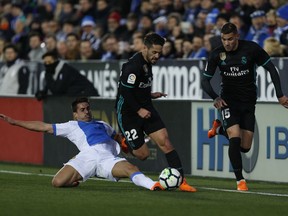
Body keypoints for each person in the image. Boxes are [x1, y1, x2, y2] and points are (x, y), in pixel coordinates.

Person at [0, 97, 164, 191]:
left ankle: (153, 185)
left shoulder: (103, 124)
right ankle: (86, 174)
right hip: (87, 157)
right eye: (82, 110)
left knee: (131, 169)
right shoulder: (71, 125)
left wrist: (129, 145)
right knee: (57, 183)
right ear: (75, 114)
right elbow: (43, 126)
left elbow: (120, 140)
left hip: (108, 158)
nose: (86, 111)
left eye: (88, 108)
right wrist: (15, 122)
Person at [201, 22, 288, 191]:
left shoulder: (251, 49)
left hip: (248, 102)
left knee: (245, 147)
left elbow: (271, 69)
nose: (227, 43)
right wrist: (215, 97)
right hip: (228, 101)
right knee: (234, 136)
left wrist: (280, 95)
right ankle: (240, 180)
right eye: (224, 39)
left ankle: (218, 130)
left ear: (237, 36)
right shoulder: (217, 54)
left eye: (230, 39)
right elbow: (205, 80)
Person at [115, 32, 196, 192]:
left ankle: (181, 180)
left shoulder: (148, 63)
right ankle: (123, 140)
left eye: (160, 52)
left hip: (146, 107)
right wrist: (138, 110)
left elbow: (137, 88)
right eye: (154, 52)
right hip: (129, 113)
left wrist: (150, 94)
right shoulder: (132, 67)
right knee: (142, 155)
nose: (157, 56)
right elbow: (125, 92)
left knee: (165, 141)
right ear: (144, 48)